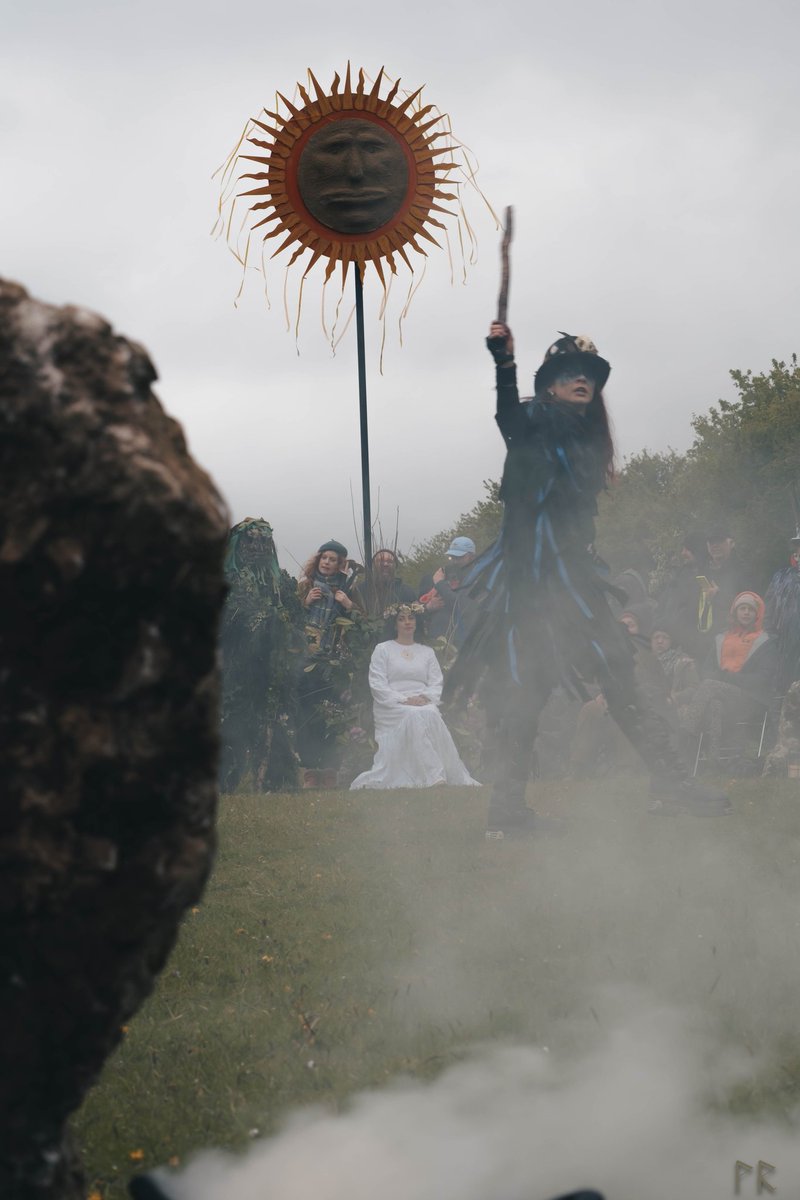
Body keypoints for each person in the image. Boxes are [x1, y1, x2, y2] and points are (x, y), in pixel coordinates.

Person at [444, 323, 730, 835]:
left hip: (571, 580)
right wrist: (504, 364)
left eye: (589, 376)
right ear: (549, 386)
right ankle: (511, 812)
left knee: (615, 672)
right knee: (536, 689)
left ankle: (662, 785)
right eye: (569, 374)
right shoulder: (535, 419)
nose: (582, 380)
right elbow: (507, 417)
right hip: (534, 586)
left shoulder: (587, 439)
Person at [350, 604, 480, 790]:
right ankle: (434, 776)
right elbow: (377, 684)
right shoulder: (383, 649)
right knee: (413, 715)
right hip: (391, 705)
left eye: (411, 618)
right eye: (401, 619)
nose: (407, 622)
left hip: (422, 701)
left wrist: (425, 697)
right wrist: (403, 699)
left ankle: (447, 773)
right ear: (395, 624)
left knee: (431, 713)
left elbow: (436, 682)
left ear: (417, 622)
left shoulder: (426, 652)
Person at [218, 518, 301, 792]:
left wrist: (284, 631)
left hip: (273, 667)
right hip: (236, 667)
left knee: (274, 719)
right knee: (235, 721)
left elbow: (296, 621)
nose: (257, 547)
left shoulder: (283, 583)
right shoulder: (226, 581)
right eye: (251, 540)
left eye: (264, 541)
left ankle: (275, 780)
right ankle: (228, 780)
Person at [680, 591, 778, 766]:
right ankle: (713, 762)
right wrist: (722, 679)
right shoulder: (721, 638)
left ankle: (684, 735)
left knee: (709, 685)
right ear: (735, 612)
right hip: (723, 697)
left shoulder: (765, 641)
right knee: (714, 704)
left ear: (757, 614)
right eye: (742, 608)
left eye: (750, 609)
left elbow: (764, 678)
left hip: (750, 699)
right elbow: (707, 670)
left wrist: (731, 679)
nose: (746, 612)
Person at [295, 539, 366, 779]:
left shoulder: (349, 589)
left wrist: (347, 604)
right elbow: (289, 620)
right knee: (305, 712)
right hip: (306, 660)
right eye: (324, 558)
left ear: (340, 565)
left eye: (333, 560)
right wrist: (304, 604)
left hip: (335, 663)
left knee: (333, 712)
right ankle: (308, 769)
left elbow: (363, 624)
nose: (327, 563)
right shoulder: (304, 586)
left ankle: (329, 769)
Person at [419, 536, 477, 646]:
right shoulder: (442, 574)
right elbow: (415, 609)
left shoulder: (479, 579)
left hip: (464, 644)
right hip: (437, 641)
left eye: (459, 557)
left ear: (471, 557)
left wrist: (440, 584)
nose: (455, 561)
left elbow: (464, 606)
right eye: (452, 557)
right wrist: (428, 607)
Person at [362, 547, 417, 618]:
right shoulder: (362, 590)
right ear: (373, 565)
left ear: (395, 566)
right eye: (380, 561)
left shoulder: (407, 592)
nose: (385, 564)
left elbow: (416, 620)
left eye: (390, 561)